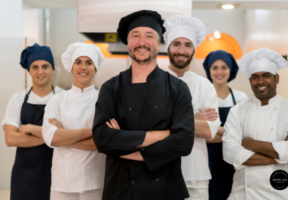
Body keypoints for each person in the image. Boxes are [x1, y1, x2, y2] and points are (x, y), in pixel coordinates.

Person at [92, 10, 194, 200]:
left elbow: (184, 142)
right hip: (120, 189)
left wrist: (127, 148)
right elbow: (102, 138)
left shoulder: (178, 88)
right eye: (135, 36)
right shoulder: (111, 88)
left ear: (159, 43)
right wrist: (160, 136)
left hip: (164, 189)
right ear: (128, 42)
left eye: (149, 36)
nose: (141, 42)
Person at [223, 48, 288, 200]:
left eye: (266, 76)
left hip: (281, 193)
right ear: (250, 80)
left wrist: (252, 144)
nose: (260, 82)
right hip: (243, 194)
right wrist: (281, 155)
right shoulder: (237, 111)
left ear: (276, 78)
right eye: (255, 77)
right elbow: (230, 153)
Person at [163, 15, 221, 200]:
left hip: (196, 175)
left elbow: (209, 132)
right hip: (158, 173)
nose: (182, 50)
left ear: (194, 50)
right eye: (176, 44)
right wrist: (194, 120)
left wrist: (167, 122)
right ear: (168, 48)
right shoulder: (152, 83)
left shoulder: (205, 86)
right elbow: (146, 126)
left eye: (188, 45)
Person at [42, 42, 106, 200]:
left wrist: (64, 134)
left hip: (95, 183)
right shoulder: (57, 100)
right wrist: (92, 132)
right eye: (78, 62)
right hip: (62, 184)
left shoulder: (105, 101)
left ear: (95, 68)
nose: (83, 67)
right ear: (71, 67)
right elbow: (51, 138)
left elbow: (104, 142)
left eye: (89, 62)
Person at [2, 43, 64, 200]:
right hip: (24, 177)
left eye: (45, 66)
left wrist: (29, 128)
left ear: (53, 69)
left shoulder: (64, 99)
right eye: (35, 67)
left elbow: (68, 138)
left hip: (58, 175)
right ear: (29, 70)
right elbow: (10, 139)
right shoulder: (17, 99)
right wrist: (53, 135)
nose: (40, 71)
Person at [202, 50, 247, 200]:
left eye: (224, 67)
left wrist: (213, 132)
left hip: (235, 163)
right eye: (214, 67)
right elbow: (199, 136)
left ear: (231, 70)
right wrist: (231, 134)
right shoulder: (201, 98)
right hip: (206, 162)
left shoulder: (241, 98)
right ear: (209, 71)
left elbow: (245, 135)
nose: (219, 72)